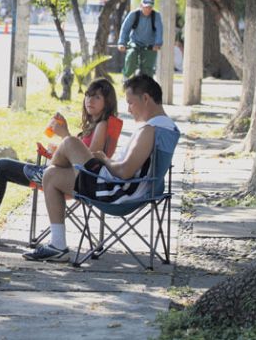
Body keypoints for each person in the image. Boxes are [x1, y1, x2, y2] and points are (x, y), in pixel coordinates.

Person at [23, 74, 179, 261]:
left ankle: (57, 241)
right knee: (52, 175)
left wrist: (105, 159)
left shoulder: (149, 130)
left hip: (114, 191)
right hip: (129, 189)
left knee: (70, 142)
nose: (129, 109)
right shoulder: (170, 128)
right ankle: (57, 244)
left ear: (145, 98)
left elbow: (125, 171)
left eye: (130, 103)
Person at [0, 78, 119, 237]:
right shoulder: (93, 126)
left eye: (97, 97)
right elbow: (78, 155)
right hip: (64, 176)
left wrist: (66, 136)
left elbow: (89, 163)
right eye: (88, 95)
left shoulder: (102, 125)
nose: (90, 100)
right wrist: (56, 151)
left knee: (0, 166)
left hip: (66, 181)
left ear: (108, 102)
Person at [118, 0, 163, 80]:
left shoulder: (156, 16)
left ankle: (148, 87)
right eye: (145, 7)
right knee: (131, 55)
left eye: (150, 7)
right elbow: (125, 29)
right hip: (135, 42)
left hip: (150, 44)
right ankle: (126, 77)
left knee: (148, 69)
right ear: (141, 5)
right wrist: (122, 43)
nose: (147, 9)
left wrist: (158, 44)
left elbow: (159, 30)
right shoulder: (134, 14)